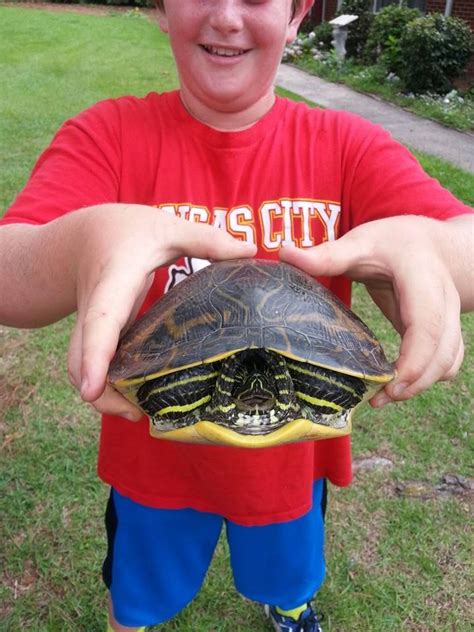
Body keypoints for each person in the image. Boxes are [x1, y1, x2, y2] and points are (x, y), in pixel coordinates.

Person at [0, 1, 472, 630]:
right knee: (141, 592)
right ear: (162, 7)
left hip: (292, 463)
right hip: (155, 461)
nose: (225, 16)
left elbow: (464, 240)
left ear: (297, 13)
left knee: (288, 570)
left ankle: (292, 604)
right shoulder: (107, 136)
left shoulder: (349, 146)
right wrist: (86, 239)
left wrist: (434, 247)